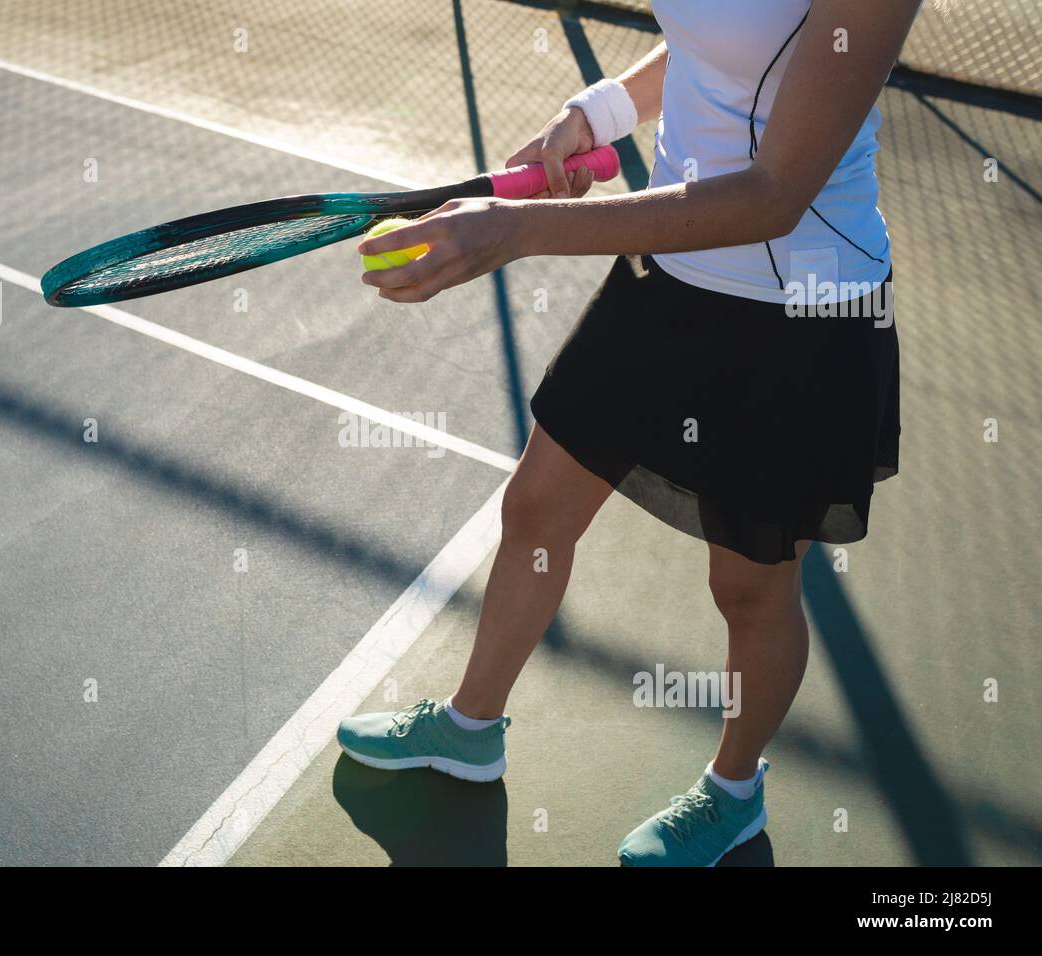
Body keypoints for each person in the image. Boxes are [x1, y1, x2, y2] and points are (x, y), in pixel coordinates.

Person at [339, 0, 922, 866]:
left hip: (803, 313)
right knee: (536, 508)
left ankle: (733, 793)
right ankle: (470, 729)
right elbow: (710, 40)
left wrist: (517, 229)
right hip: (669, 274)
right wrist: (598, 111)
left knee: (750, 589)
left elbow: (773, 197)